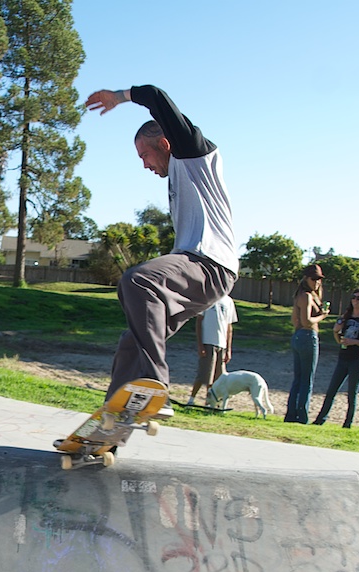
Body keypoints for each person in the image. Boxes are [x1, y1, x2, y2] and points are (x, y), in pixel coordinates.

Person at [85, 85, 238, 417]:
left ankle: (157, 388)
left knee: (137, 281)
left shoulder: (192, 153)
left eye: (145, 156)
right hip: (198, 273)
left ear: (165, 143)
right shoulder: (178, 174)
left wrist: (119, 97)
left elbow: (156, 97)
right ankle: (110, 421)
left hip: (209, 264)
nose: (145, 166)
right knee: (133, 341)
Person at [314, 286, 359, 428]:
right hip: (343, 358)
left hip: (357, 359)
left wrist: (355, 342)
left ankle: (348, 423)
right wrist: (336, 332)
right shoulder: (345, 317)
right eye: (353, 297)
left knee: (351, 394)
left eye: (358, 298)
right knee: (331, 391)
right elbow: (339, 339)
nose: (355, 301)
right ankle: (320, 420)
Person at [283, 263, 330, 423]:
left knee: (298, 378)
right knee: (306, 379)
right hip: (308, 336)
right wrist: (322, 316)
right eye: (314, 279)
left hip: (297, 336)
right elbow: (307, 320)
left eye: (319, 279)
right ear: (306, 278)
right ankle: (302, 415)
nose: (316, 282)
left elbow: (293, 319)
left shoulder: (300, 295)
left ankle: (291, 414)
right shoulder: (307, 296)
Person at [187, 293, 237, 406]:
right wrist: (200, 344)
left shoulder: (228, 301)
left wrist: (228, 349)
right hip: (208, 341)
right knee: (205, 374)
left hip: (222, 344)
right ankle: (192, 398)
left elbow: (229, 327)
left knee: (219, 376)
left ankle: (210, 401)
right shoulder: (208, 297)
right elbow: (199, 321)